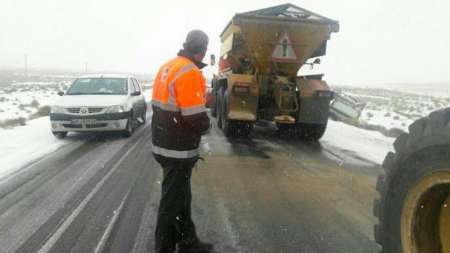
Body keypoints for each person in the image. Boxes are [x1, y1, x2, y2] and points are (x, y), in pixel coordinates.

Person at [151, 30, 213, 253]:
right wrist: (207, 125)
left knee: (181, 196)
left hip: (163, 143)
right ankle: (164, 248)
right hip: (177, 149)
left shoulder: (169, 66)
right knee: (172, 202)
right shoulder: (190, 72)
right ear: (203, 50)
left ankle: (188, 242)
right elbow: (194, 116)